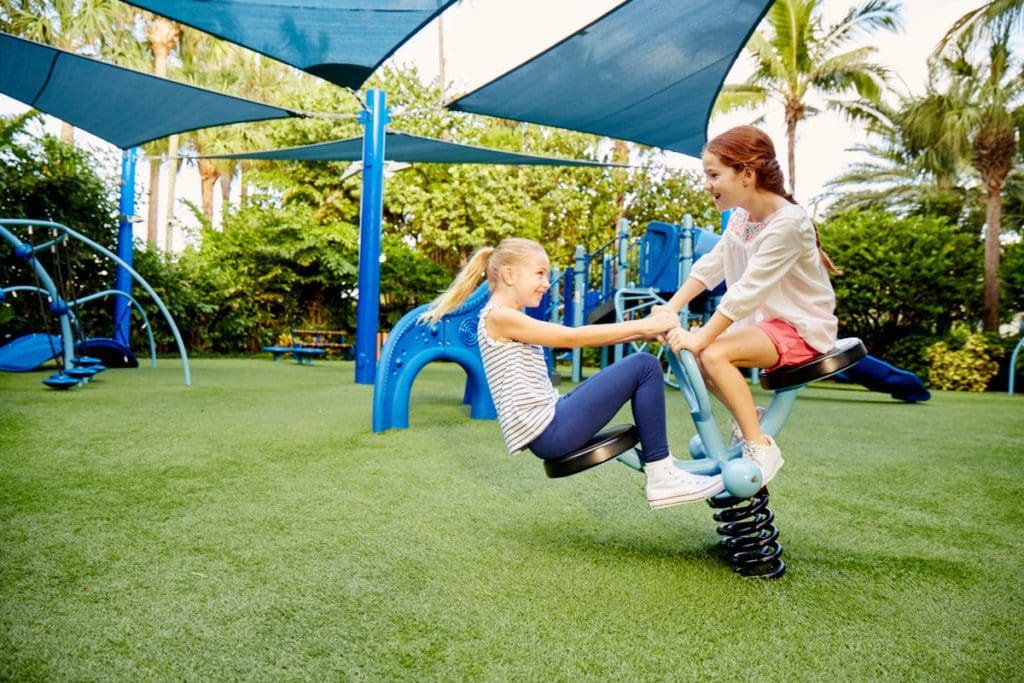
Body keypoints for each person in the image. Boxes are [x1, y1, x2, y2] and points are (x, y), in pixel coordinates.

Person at [420, 237, 725, 509]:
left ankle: (662, 471)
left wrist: (639, 333)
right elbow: (572, 337)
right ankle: (662, 475)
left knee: (639, 367)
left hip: (552, 420)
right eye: (539, 273)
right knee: (644, 366)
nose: (546, 282)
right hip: (550, 431)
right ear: (509, 275)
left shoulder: (504, 318)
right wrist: (643, 326)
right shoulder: (499, 317)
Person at [659, 125, 838, 486]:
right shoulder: (742, 216)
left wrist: (701, 337)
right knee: (693, 354)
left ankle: (759, 443)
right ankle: (748, 420)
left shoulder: (788, 223)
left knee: (709, 353)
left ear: (747, 173)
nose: (707, 184)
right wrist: (671, 307)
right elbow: (715, 263)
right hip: (764, 325)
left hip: (800, 328)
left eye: (713, 175)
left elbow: (748, 291)